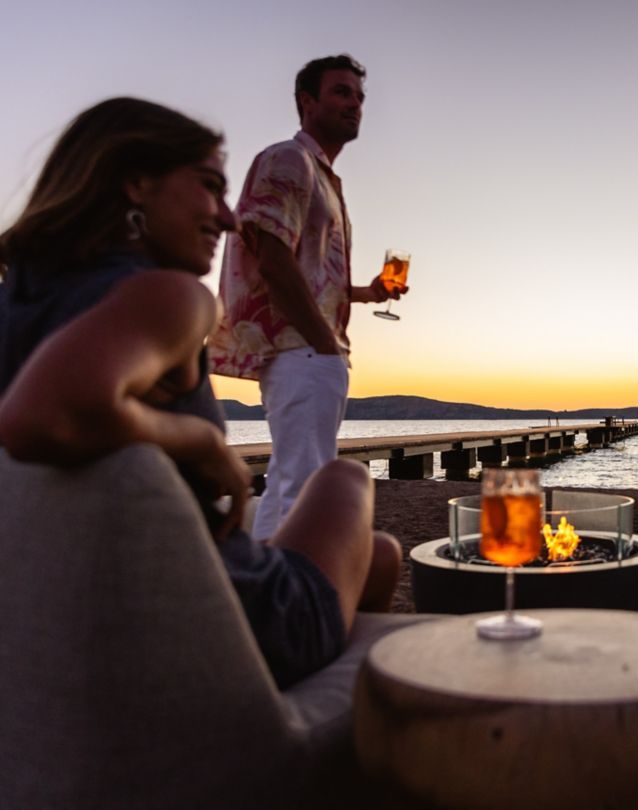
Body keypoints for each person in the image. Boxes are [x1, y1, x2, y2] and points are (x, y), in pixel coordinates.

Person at [0, 97, 402, 689]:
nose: (229, 217)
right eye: (211, 187)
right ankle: (319, 737)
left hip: (75, 620)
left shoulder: (18, 302)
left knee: (372, 549)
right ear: (137, 184)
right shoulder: (171, 297)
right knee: (350, 490)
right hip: (227, 627)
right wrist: (202, 442)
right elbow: (36, 418)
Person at [208, 54, 403, 539]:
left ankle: (267, 589)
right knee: (304, 482)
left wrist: (365, 293)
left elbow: (311, 275)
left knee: (292, 481)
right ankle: (279, 601)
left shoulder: (324, 179)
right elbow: (272, 257)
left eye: (359, 97)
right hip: (300, 347)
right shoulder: (288, 160)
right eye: (341, 92)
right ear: (306, 101)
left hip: (308, 345)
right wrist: (323, 341)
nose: (354, 105)